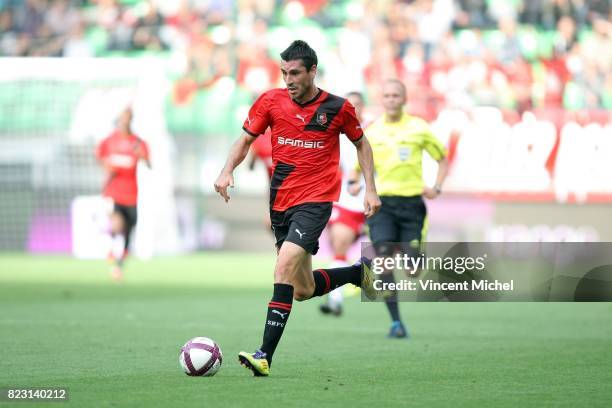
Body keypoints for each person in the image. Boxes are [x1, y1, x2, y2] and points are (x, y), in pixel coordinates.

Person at [214, 40, 381, 377]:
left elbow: (362, 144)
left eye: (294, 73)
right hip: (281, 204)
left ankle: (264, 356)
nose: (288, 80)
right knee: (302, 289)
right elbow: (245, 139)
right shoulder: (270, 101)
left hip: (316, 202)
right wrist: (226, 169)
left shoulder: (337, 108)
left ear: (312, 72)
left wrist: (371, 190)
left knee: (283, 267)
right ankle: (358, 273)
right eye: (284, 73)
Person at [349, 79, 448, 338]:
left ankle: (412, 256)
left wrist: (436, 187)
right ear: (382, 100)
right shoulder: (373, 131)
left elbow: (442, 158)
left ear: (404, 99)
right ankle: (396, 323)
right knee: (382, 262)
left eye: (396, 95)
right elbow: (360, 161)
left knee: (413, 269)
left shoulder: (418, 128)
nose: (392, 99)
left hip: (412, 205)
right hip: (382, 205)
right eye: (387, 95)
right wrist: (353, 181)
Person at [319, 91, 368, 316]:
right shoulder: (335, 133)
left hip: (377, 202)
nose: (353, 109)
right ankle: (335, 300)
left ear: (363, 107)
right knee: (339, 244)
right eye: (349, 105)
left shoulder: (375, 132)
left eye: (357, 105)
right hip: (348, 203)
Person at [95, 107, 151, 281]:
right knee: (117, 224)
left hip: (131, 194)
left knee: (128, 229)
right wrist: (107, 167)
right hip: (112, 192)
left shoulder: (138, 142)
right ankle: (110, 250)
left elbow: (149, 163)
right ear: (119, 120)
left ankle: (119, 263)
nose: (125, 121)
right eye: (122, 118)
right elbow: (99, 157)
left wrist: (143, 157)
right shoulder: (109, 141)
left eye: (128, 118)